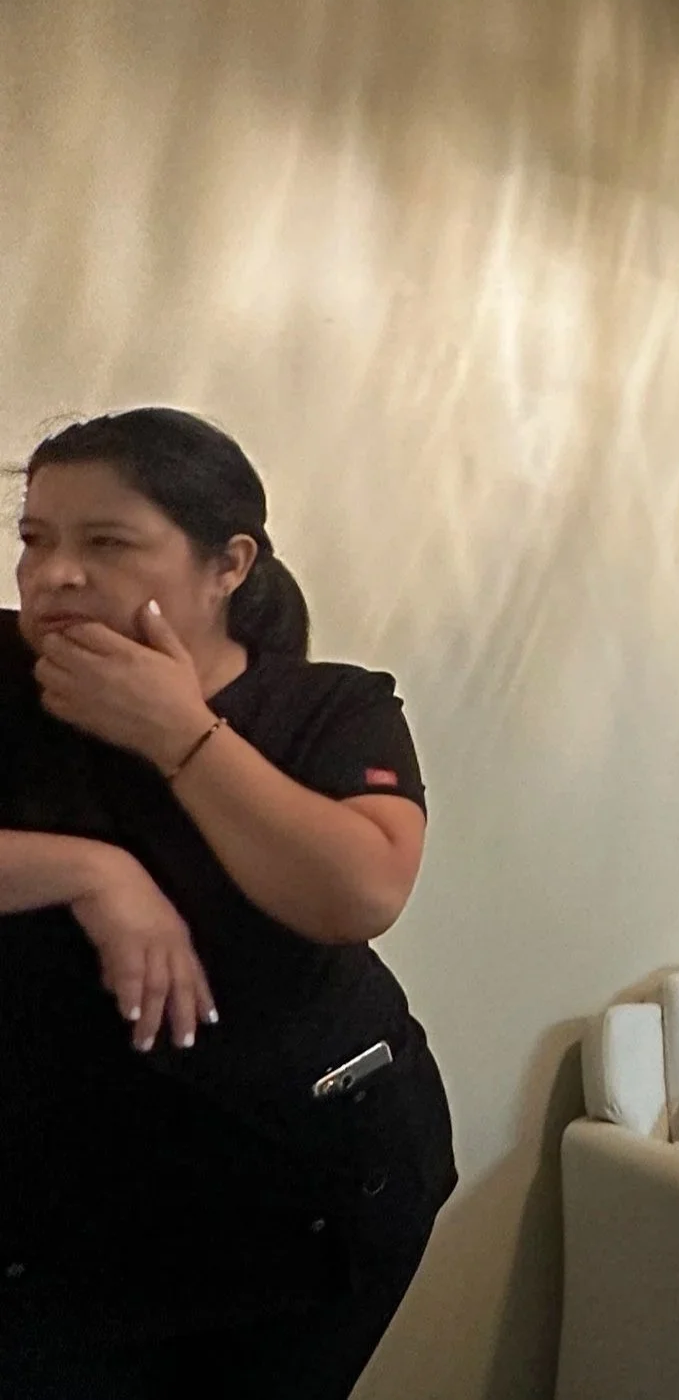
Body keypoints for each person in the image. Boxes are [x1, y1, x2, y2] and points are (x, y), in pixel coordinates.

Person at [0, 407, 455, 1398]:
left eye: (106, 543)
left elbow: (359, 892)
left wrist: (180, 734)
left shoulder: (330, 707)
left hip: (312, 1189)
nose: (53, 573)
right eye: (35, 538)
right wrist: (91, 873)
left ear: (229, 565)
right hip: (65, 1211)